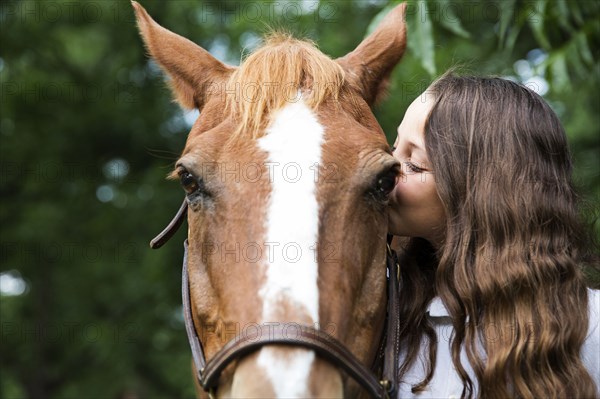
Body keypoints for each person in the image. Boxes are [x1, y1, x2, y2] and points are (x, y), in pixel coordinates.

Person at [387, 73, 599, 398]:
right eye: (392, 146)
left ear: (482, 191)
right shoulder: (387, 314)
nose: (387, 168)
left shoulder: (591, 328)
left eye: (413, 164)